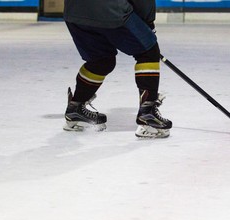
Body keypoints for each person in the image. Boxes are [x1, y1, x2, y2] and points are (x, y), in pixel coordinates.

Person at [63, 0, 172, 138]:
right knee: (148, 52)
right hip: (110, 8)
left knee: (101, 60)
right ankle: (148, 114)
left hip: (74, 11)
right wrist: (147, 23)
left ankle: (75, 108)